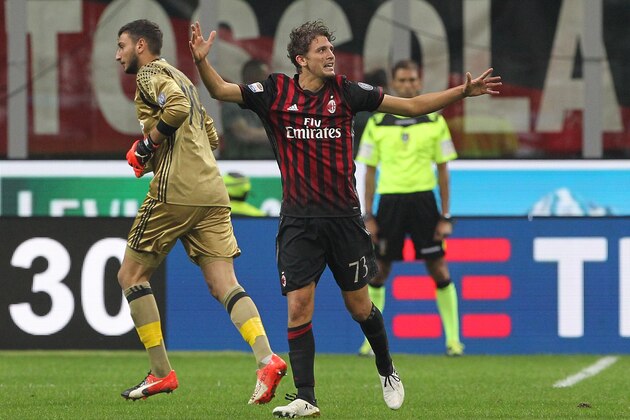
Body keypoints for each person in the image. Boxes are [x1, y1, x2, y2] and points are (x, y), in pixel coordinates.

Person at [189, 19, 500, 417]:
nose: (330, 55)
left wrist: (463, 92)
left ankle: (386, 368)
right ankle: (306, 397)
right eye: (321, 50)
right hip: (299, 221)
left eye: (331, 49)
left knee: (360, 308)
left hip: (344, 220)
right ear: (301, 59)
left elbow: (410, 106)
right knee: (299, 306)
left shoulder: (348, 93)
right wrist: (201, 62)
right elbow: (218, 90)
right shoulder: (274, 92)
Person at [114, 19, 286, 404]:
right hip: (212, 190)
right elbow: (209, 135)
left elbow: (172, 109)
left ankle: (161, 374)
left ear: (141, 46)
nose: (117, 53)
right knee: (223, 282)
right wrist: (162, 153)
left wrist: (146, 147)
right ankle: (267, 358)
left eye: (122, 45)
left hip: (176, 191)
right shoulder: (185, 79)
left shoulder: (150, 74)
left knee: (131, 274)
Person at [356, 59, 464, 358]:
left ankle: (453, 341)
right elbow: (368, 171)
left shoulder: (434, 121)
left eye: (412, 80)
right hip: (389, 202)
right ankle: (370, 341)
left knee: (437, 267)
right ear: (393, 84)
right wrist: (369, 214)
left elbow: (443, 170)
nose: (407, 85)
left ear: (419, 83)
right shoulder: (377, 122)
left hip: (423, 203)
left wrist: (445, 216)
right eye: (401, 81)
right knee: (379, 271)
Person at [220, 59, 276, 159]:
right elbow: (244, 134)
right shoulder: (232, 102)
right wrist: (278, 133)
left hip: (270, 164)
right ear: (252, 78)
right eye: (265, 77)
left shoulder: (269, 103)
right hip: (241, 164)